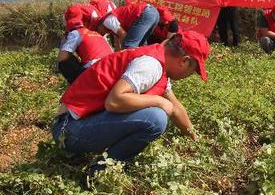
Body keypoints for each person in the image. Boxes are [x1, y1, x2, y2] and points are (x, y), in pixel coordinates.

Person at [51, 30, 210, 176]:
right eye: (193, 71)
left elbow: (175, 107)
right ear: (184, 61)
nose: (189, 76)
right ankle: (99, 172)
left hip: (76, 125)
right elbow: (114, 101)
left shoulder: (159, 60)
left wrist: (195, 139)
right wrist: (158, 101)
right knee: (156, 118)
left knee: (157, 113)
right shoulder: (150, 65)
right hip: (68, 130)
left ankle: (106, 164)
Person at [57, 18, 114, 84]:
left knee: (63, 63)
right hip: (111, 67)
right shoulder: (97, 34)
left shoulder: (75, 33)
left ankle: (77, 86)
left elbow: (63, 57)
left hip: (95, 68)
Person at [95, 2, 160, 50]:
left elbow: (123, 35)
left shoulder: (107, 20)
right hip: (154, 13)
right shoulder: (109, 24)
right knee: (141, 46)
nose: (101, 34)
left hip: (146, 13)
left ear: (99, 25)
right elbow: (117, 40)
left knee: (128, 45)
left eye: (97, 31)